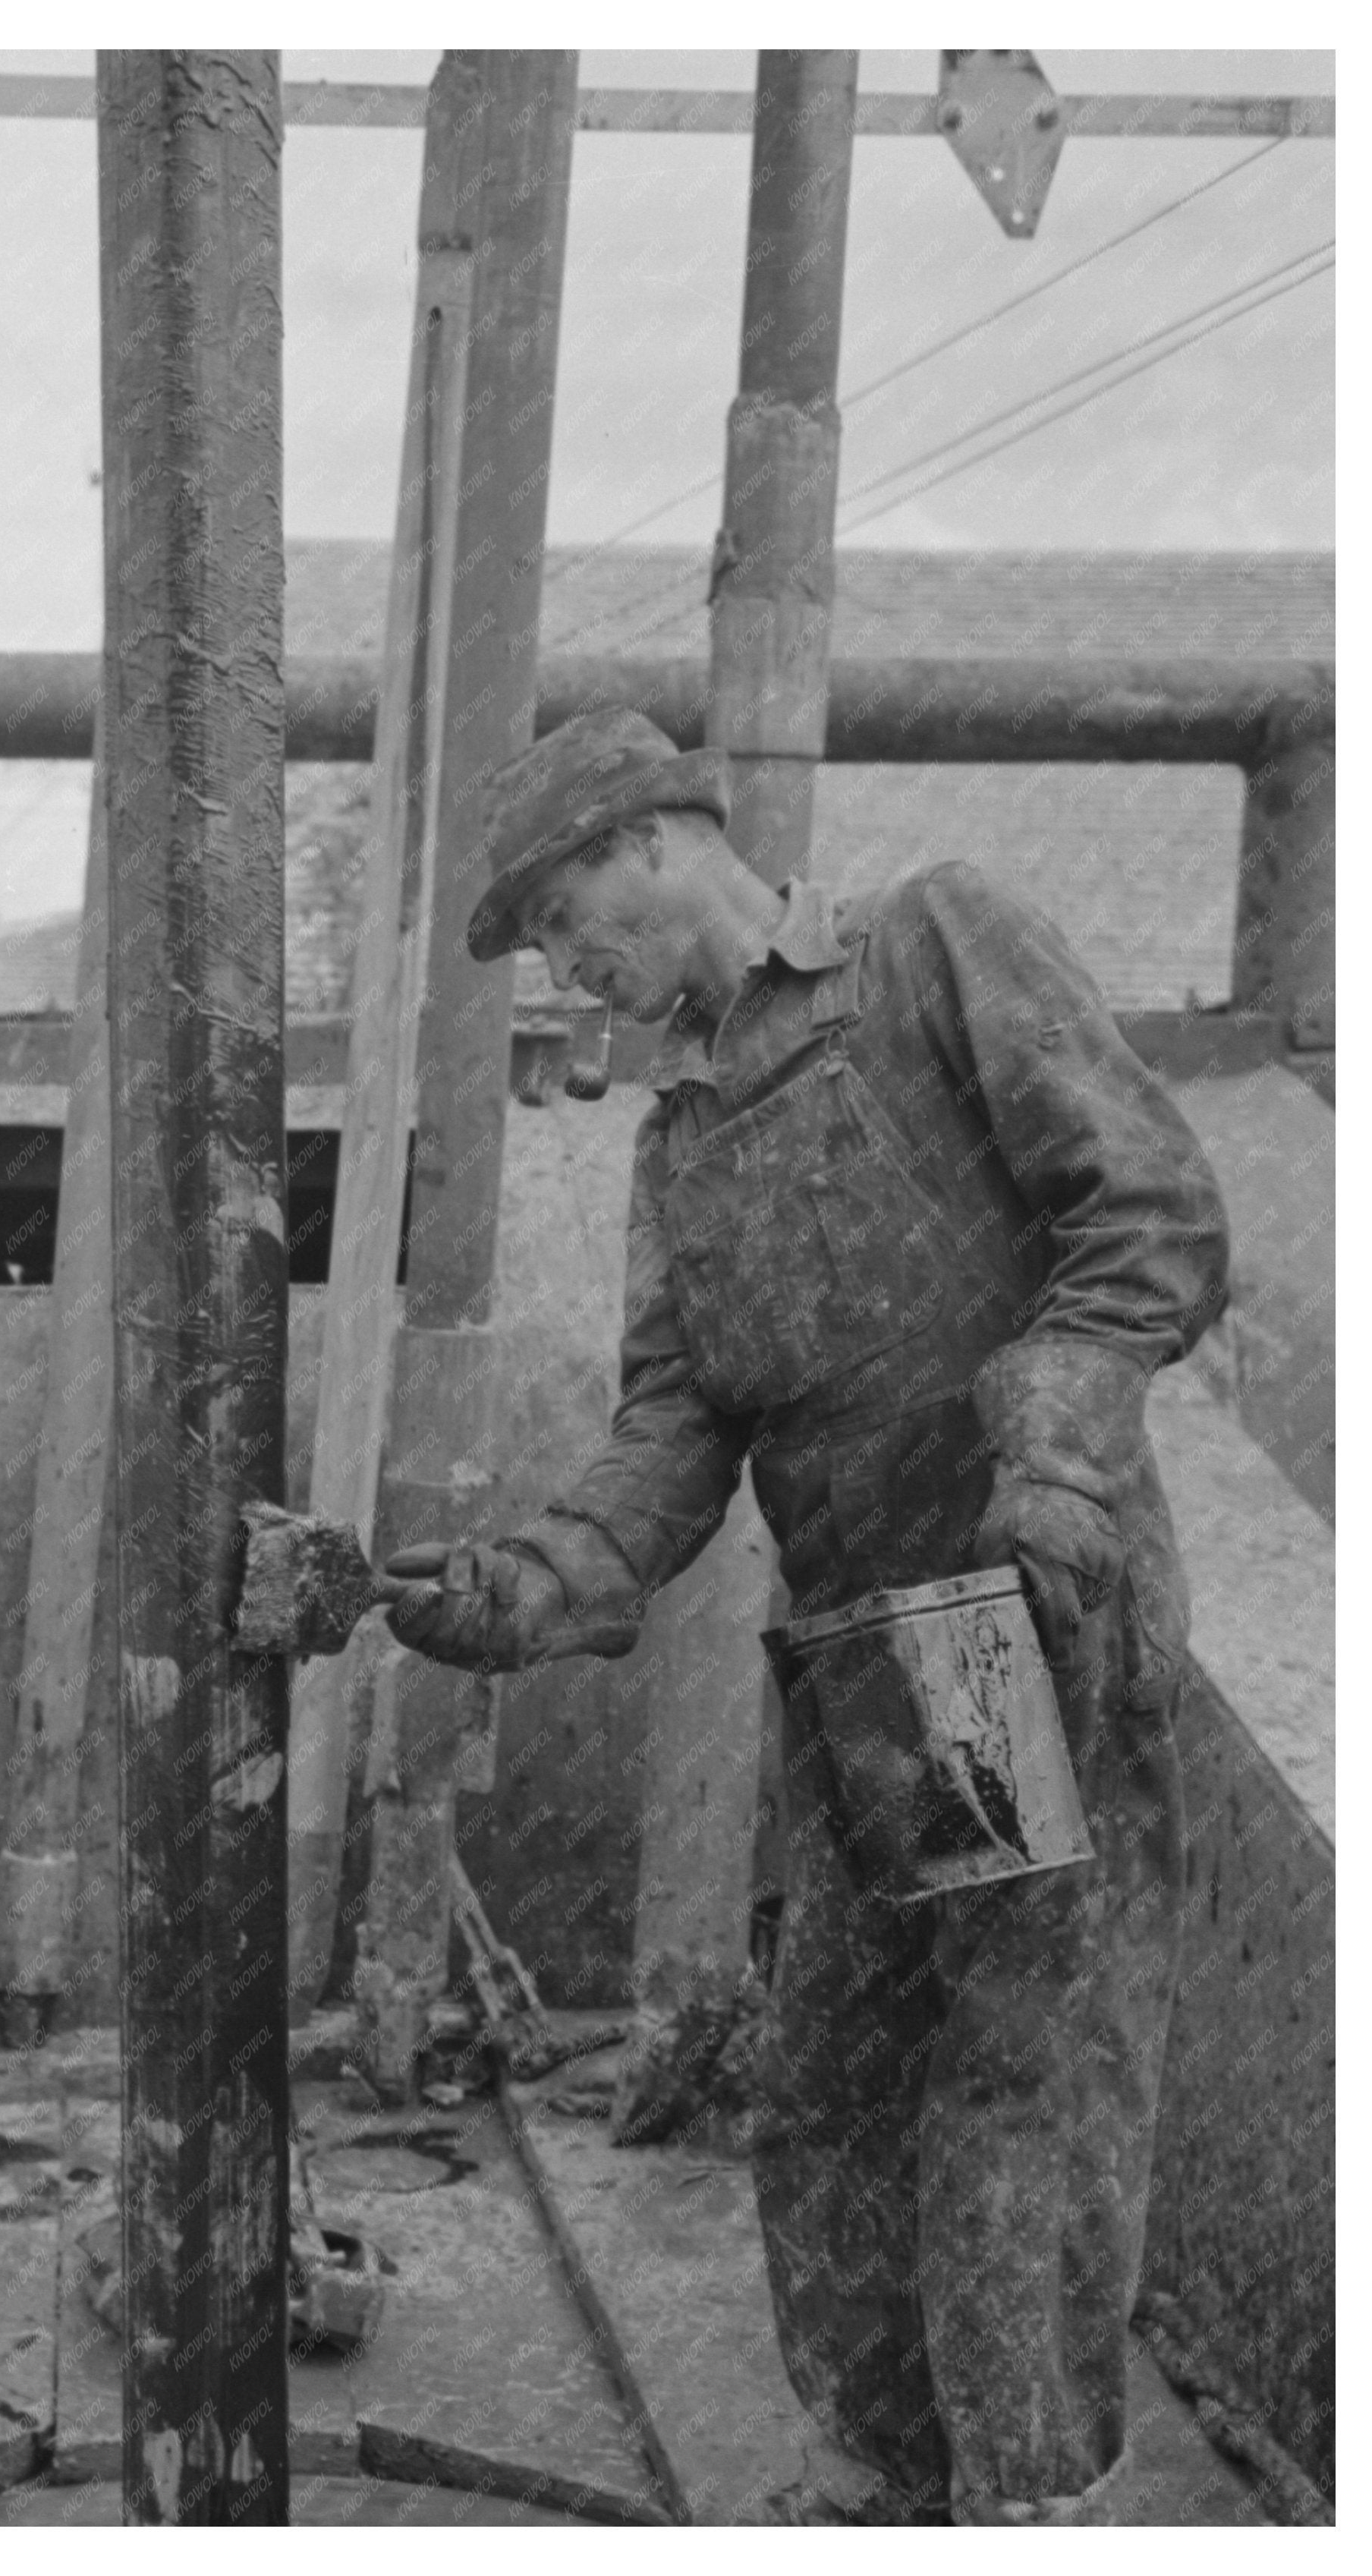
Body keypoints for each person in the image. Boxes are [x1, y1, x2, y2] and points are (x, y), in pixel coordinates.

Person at [383, 707, 1230, 2526]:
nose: (561, 964)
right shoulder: (682, 1139)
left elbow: (1143, 1214)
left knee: (1013, 2099)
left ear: (646, 839)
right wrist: (529, 1586)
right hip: (880, 1674)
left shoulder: (930, 942)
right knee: (831, 2096)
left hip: (1004, 1638)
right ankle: (868, 2493)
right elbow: (673, 1431)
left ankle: (1023, 2510)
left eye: (554, 916)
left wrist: (1058, 1444)